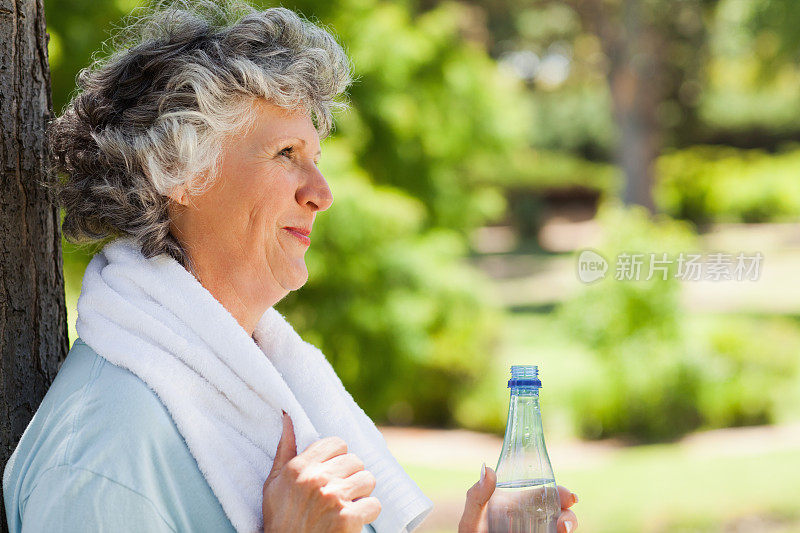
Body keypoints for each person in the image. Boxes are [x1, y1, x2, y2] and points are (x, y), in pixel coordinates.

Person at [2, 1, 579, 532]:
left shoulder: (263, 381)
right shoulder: (103, 458)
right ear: (177, 171)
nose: (322, 193)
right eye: (286, 155)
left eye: (315, 157)